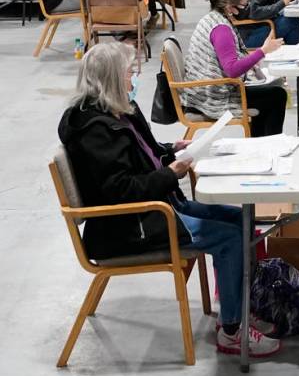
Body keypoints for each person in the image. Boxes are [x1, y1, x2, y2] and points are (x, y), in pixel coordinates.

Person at [58, 42, 281, 357]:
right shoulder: (94, 130)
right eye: (128, 73)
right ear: (110, 78)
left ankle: (237, 308)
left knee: (242, 219)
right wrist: (171, 173)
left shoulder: (120, 111)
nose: (132, 79)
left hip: (158, 211)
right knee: (231, 239)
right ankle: (232, 330)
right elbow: (121, 189)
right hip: (131, 226)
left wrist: (170, 150)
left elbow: (140, 154)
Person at [182, 0, 287, 137]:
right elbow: (232, 70)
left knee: (270, 95)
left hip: (200, 91)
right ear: (230, 7)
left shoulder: (212, 18)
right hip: (212, 95)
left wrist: (256, 55)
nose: (247, 8)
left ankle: (259, 142)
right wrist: (263, 51)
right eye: (244, 5)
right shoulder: (221, 29)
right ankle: (268, 146)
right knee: (277, 96)